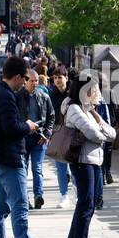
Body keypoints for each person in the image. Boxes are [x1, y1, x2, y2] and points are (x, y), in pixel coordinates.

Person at [0, 56, 50, 238]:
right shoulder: (7, 96)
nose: (25, 82)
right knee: (20, 206)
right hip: (9, 158)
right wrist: (28, 126)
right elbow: (11, 129)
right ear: (18, 77)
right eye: (25, 78)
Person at [62, 76, 115, 238]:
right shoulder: (74, 109)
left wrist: (98, 118)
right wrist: (102, 133)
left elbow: (112, 133)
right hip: (82, 161)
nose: (95, 93)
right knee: (86, 203)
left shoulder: (89, 110)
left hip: (93, 160)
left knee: (86, 203)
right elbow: (93, 134)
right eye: (92, 89)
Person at [24, 65, 54, 208]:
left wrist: (47, 133)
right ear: (25, 81)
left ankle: (38, 196)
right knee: (22, 170)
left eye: (36, 81)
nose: (35, 83)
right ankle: (25, 198)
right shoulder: (18, 97)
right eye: (32, 80)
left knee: (37, 168)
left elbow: (51, 116)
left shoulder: (44, 96)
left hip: (39, 138)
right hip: (22, 139)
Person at [47, 65, 74, 207]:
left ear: (66, 78)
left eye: (60, 77)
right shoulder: (51, 95)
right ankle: (64, 195)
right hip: (58, 132)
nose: (57, 80)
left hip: (74, 131)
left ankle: (76, 190)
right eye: (55, 78)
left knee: (76, 163)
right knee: (60, 165)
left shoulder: (74, 93)